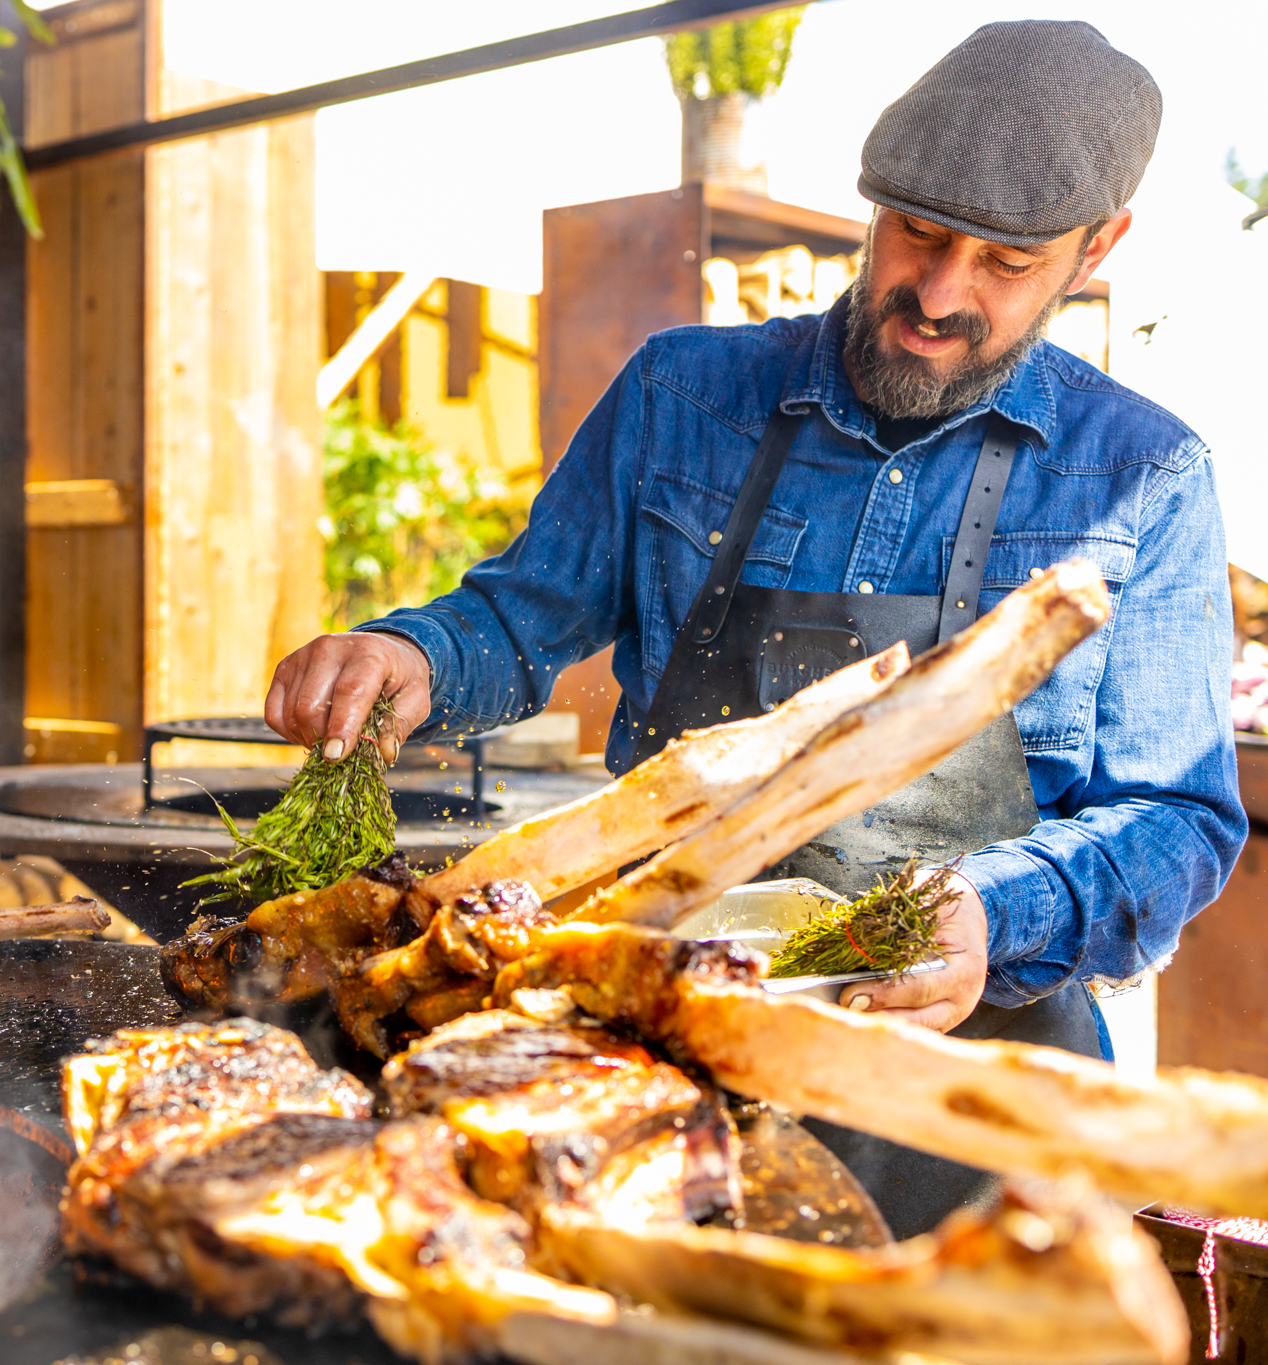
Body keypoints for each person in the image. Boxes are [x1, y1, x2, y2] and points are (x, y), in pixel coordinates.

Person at [263, 20, 1245, 1238]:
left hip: (965, 1098)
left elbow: (1176, 818)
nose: (938, 298)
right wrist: (410, 657)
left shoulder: (1141, 476)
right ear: (871, 205)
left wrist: (994, 912)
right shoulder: (682, 395)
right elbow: (516, 623)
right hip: (655, 1060)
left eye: (1003, 264)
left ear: (1098, 248)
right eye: (917, 237)